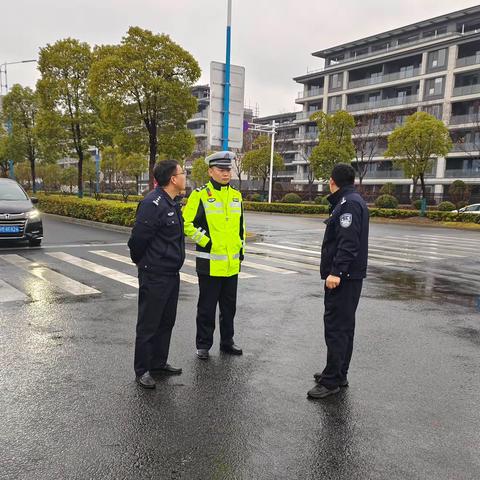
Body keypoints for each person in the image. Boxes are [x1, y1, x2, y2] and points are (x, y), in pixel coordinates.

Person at [307, 163, 369, 399]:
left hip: (344, 278)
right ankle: (337, 373)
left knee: (336, 328)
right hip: (350, 276)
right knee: (344, 327)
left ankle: (332, 380)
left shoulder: (348, 204)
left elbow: (348, 242)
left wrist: (337, 273)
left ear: (333, 181)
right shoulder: (351, 200)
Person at [128, 160, 186, 389]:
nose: (185, 176)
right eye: (183, 173)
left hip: (171, 274)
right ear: (173, 179)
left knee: (166, 321)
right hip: (155, 274)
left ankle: (159, 362)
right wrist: (143, 264)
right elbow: (138, 240)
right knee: (148, 324)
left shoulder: (172, 203)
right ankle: (142, 370)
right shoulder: (153, 203)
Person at [183, 151, 245, 360]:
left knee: (229, 308)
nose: (226, 173)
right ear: (211, 171)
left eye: (228, 169)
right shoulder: (200, 194)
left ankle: (227, 342)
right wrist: (206, 242)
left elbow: (240, 227)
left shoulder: (236, 195)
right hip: (210, 264)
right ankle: (203, 345)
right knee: (207, 308)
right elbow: (187, 223)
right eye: (221, 169)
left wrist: (241, 250)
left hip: (231, 264)